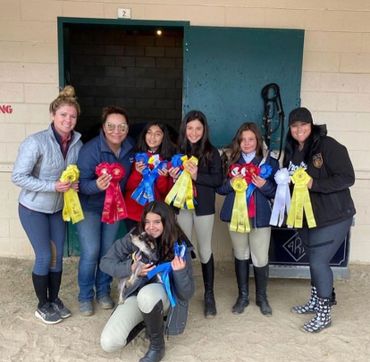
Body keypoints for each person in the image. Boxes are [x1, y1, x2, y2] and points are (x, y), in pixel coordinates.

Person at [11, 85, 82, 324]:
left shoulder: (77, 143)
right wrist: (53, 186)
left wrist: (74, 185)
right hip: (33, 209)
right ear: (53, 115)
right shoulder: (36, 142)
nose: (68, 120)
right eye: (63, 115)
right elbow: (18, 177)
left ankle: (54, 299)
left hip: (57, 210)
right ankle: (42, 304)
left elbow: (73, 173)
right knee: (44, 256)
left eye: (72, 116)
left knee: (57, 256)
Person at [283, 107, 356, 333]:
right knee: (313, 259)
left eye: (303, 125)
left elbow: (347, 177)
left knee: (318, 262)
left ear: (311, 125)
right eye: (294, 126)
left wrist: (315, 184)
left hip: (333, 215)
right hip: (306, 216)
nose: (299, 130)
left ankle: (324, 314)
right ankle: (316, 301)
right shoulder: (293, 149)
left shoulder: (328, 145)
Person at [100, 201, 194, 362]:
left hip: (161, 299)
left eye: (157, 222)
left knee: (147, 294)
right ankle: (148, 322)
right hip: (135, 296)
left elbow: (186, 293)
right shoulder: (136, 236)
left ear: (167, 222)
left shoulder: (178, 244)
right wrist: (131, 267)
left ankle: (157, 347)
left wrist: (179, 272)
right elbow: (105, 263)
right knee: (109, 343)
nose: (151, 227)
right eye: (147, 222)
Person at [76, 105, 135, 316]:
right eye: (111, 126)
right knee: (91, 251)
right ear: (103, 127)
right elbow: (81, 184)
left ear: (127, 129)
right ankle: (84, 296)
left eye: (122, 126)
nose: (116, 131)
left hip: (115, 208)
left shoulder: (130, 147)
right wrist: (96, 186)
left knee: (108, 252)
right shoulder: (90, 150)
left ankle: (102, 292)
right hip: (90, 207)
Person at [217, 122, 279, 316]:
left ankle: (262, 297)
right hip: (236, 217)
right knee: (241, 254)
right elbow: (220, 188)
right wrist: (232, 183)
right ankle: (242, 296)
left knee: (260, 257)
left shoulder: (270, 163)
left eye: (251, 139)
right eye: (242, 139)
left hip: (259, 217)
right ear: (238, 141)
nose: (246, 143)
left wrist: (263, 185)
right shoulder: (230, 160)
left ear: (257, 141)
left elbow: (277, 192)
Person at [168, 110, 223, 318]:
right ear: (184, 129)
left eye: (198, 128)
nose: (193, 132)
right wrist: (172, 175)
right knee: (181, 250)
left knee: (205, 250)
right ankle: (183, 291)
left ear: (204, 130)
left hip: (203, 209)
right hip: (181, 208)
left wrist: (197, 175)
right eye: (189, 128)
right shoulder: (175, 151)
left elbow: (218, 181)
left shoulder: (212, 152)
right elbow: (167, 178)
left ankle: (209, 295)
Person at [124, 121, 175, 231]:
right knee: (134, 247)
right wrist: (137, 172)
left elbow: (164, 192)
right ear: (144, 135)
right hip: (133, 212)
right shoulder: (134, 156)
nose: (152, 137)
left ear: (163, 137)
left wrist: (163, 177)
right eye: (149, 133)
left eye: (157, 134)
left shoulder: (168, 160)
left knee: (151, 247)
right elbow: (128, 187)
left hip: (154, 215)